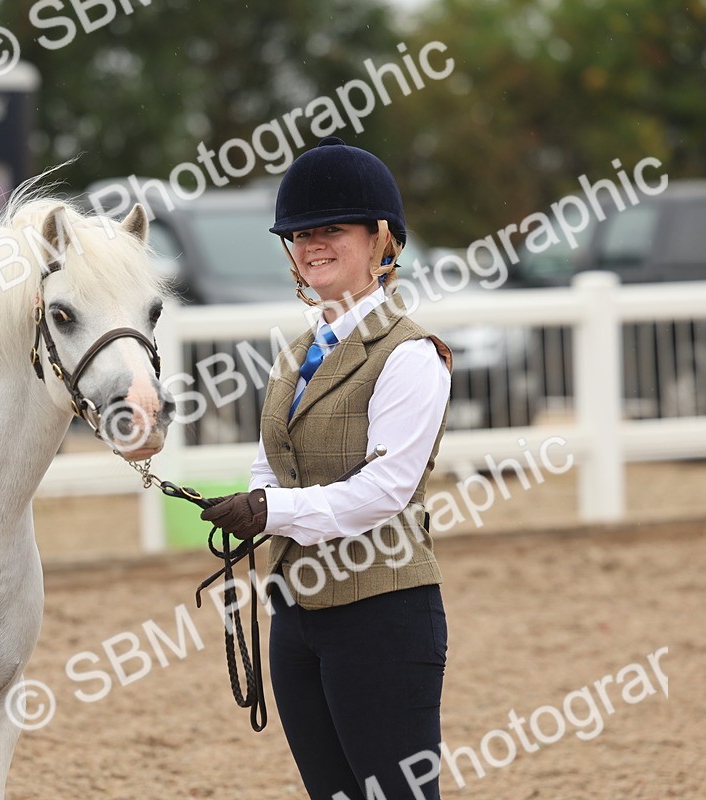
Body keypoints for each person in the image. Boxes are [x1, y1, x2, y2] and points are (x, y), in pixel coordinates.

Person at [201, 136, 453, 800]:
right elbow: (271, 464)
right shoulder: (296, 354)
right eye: (300, 233)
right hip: (297, 612)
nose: (311, 244)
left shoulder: (410, 355)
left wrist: (272, 512)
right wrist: (251, 504)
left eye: (331, 229)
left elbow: (385, 490)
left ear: (380, 239)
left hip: (384, 614)